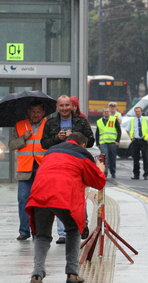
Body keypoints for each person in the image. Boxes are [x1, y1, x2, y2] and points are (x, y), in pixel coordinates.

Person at [25, 132, 106, 283]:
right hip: (64, 197)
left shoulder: (51, 151)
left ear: (68, 140)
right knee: (73, 230)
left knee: (42, 235)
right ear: (82, 144)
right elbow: (98, 182)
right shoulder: (82, 154)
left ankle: (37, 274)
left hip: (39, 195)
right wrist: (100, 169)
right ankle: (72, 273)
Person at [41, 94, 95, 243]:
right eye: (61, 105)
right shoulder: (50, 123)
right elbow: (44, 144)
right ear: (57, 107)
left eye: (67, 105)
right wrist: (58, 138)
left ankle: (82, 224)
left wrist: (75, 136)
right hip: (57, 166)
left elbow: (90, 141)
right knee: (59, 197)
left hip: (77, 165)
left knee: (77, 196)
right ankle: (63, 233)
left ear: (72, 106)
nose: (64, 108)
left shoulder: (81, 121)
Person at [8, 101, 47, 241]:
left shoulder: (48, 125)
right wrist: (23, 138)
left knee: (42, 202)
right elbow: (11, 145)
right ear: (28, 112)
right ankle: (24, 231)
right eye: (33, 111)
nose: (35, 114)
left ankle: (39, 230)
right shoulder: (19, 125)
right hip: (25, 170)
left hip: (43, 169)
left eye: (38, 111)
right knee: (23, 200)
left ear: (43, 113)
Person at [126, 106, 148, 180]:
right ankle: (136, 175)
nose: (137, 113)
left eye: (139, 111)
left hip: (143, 140)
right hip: (135, 140)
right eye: (136, 111)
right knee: (135, 159)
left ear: (141, 112)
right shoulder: (132, 120)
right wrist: (131, 137)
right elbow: (127, 129)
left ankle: (146, 174)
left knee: (145, 158)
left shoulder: (146, 120)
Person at [95, 107, 121, 178]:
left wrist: (117, 141)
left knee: (112, 158)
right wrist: (97, 143)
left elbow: (119, 130)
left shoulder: (114, 119)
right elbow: (97, 133)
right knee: (104, 157)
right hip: (103, 142)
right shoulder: (99, 121)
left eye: (107, 111)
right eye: (105, 111)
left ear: (110, 112)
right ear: (103, 113)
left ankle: (113, 172)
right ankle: (104, 172)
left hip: (112, 142)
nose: (106, 113)